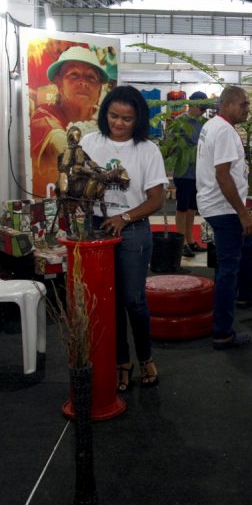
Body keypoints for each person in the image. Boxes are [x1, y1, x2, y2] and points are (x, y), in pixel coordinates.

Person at [80, 86, 167, 391]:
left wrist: (125, 218)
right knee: (109, 300)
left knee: (133, 298)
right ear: (105, 113)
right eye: (113, 115)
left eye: (126, 119)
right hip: (96, 227)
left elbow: (156, 199)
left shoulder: (147, 150)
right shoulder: (89, 143)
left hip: (133, 228)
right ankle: (121, 361)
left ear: (138, 119)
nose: (118, 123)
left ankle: (145, 357)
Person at [197, 85, 252, 350]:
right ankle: (222, 333)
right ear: (227, 104)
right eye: (243, 104)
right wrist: (242, 213)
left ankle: (246, 295)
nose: (247, 109)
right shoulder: (225, 131)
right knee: (228, 269)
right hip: (224, 208)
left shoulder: (212, 126)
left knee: (247, 245)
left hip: (218, 204)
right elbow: (223, 175)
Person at [30, 46, 109, 196]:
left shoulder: (105, 121)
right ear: (59, 83)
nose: (83, 83)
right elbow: (61, 146)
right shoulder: (44, 115)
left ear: (99, 89)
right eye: (74, 75)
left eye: (90, 77)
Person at [173, 91, 210, 258]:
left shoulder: (204, 123)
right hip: (183, 171)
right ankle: (181, 243)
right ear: (192, 104)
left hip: (199, 173)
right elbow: (172, 145)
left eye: (204, 109)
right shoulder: (179, 121)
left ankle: (190, 240)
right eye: (201, 108)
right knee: (182, 207)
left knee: (192, 208)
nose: (203, 111)